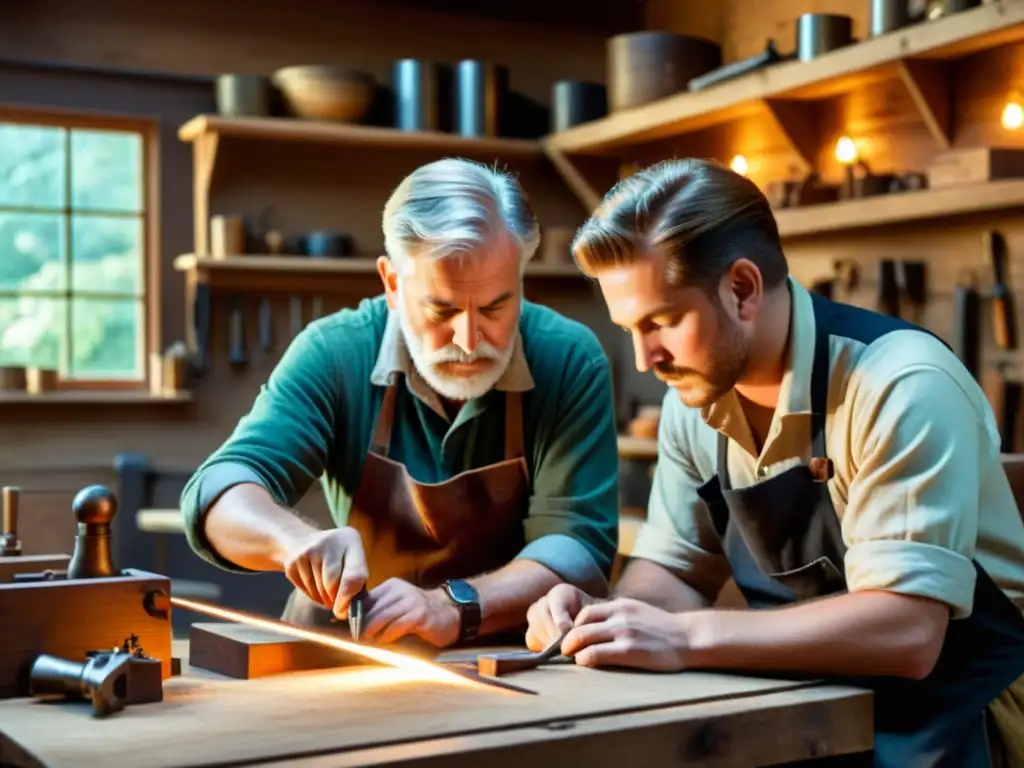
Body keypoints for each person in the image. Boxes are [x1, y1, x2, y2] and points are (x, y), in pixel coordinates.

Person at [525, 158, 1024, 766]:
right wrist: (606, 622)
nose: (642, 359)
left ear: (742, 289)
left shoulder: (899, 383)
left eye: (661, 321)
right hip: (818, 701)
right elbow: (675, 573)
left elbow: (907, 633)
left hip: (967, 710)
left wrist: (684, 636)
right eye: (630, 328)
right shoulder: (697, 400)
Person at [180, 157, 620, 649]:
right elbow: (218, 490)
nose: (471, 339)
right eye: (443, 309)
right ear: (392, 283)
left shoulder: (569, 359)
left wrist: (452, 606)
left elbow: (579, 546)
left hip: (508, 650)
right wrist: (295, 542)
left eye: (496, 306)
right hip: (353, 648)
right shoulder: (334, 352)